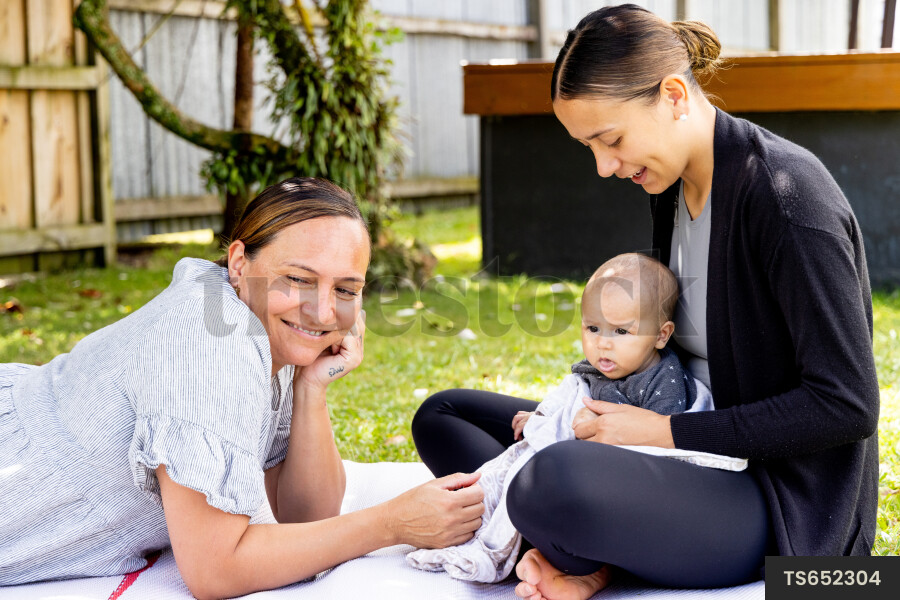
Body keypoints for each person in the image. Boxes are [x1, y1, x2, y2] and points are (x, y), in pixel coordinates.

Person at [412, 4, 879, 600]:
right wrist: (593, 415)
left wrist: (666, 432)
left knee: (552, 480)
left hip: (770, 495)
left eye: (610, 139)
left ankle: (566, 547)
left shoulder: (787, 199)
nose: (605, 167)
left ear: (674, 95)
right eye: (589, 146)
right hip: (674, 431)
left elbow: (846, 406)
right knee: (446, 416)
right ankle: (569, 546)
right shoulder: (672, 185)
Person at [0, 177, 485, 597]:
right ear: (238, 262)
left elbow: (304, 518)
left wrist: (309, 391)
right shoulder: (211, 345)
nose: (321, 312)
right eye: (298, 279)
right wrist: (391, 523)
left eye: (345, 290)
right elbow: (215, 569)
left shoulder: (259, 331)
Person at [408, 253, 734, 583]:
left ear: (661, 335)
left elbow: (660, 461)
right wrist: (542, 418)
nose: (603, 343)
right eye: (593, 328)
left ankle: (564, 553)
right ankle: (512, 526)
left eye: (621, 331)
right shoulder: (597, 368)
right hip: (572, 462)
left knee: (555, 469)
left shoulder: (662, 384)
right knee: (440, 413)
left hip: (614, 482)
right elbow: (568, 397)